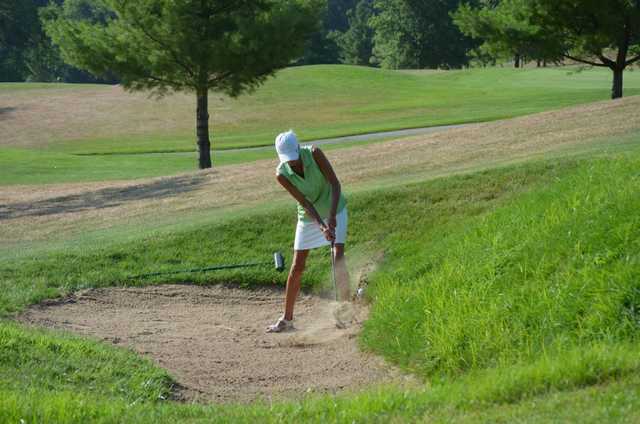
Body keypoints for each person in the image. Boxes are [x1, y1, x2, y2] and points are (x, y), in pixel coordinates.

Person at [267, 130, 350, 333]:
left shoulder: (314, 153)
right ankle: (287, 319)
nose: (292, 163)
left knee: (337, 256)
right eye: (288, 160)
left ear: (298, 148)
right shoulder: (281, 174)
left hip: (335, 207)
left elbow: (335, 184)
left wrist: (330, 218)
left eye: (293, 159)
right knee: (297, 265)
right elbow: (303, 202)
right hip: (309, 216)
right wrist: (321, 225)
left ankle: (347, 311)